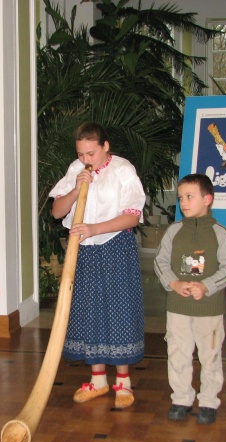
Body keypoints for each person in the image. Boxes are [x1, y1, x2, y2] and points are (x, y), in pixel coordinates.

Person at [49, 121, 146, 409]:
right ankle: (98, 380)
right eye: (80, 154)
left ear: (106, 146)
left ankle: (123, 383)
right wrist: (76, 189)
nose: (85, 159)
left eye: (91, 153)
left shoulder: (123, 170)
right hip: (84, 251)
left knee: (119, 311)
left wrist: (94, 228)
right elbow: (57, 212)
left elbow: (132, 216)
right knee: (90, 311)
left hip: (115, 246)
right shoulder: (75, 169)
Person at [154, 173, 226, 424]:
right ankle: (181, 398)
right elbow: (160, 261)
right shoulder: (174, 231)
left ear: (207, 199)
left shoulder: (219, 233)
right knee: (178, 353)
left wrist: (206, 286)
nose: (183, 202)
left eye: (190, 197)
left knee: (210, 355)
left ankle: (209, 401)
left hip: (208, 309)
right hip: (177, 307)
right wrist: (174, 283)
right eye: (181, 198)